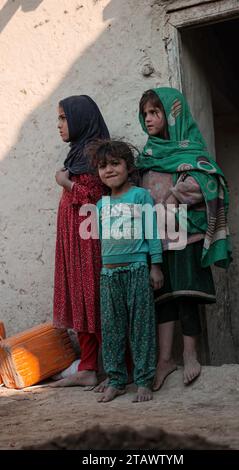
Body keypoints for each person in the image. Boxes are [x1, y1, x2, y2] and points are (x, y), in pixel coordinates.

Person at [137, 87, 232, 390]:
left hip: (186, 238)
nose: (148, 119)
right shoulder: (149, 155)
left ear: (171, 114)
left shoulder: (190, 149)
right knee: (163, 298)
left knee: (187, 295)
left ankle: (190, 354)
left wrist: (174, 195)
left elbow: (208, 181)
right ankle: (165, 359)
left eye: (155, 112)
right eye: (145, 114)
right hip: (157, 242)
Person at [94, 140, 164, 402]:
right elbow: (102, 241)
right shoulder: (100, 206)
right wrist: (102, 270)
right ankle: (116, 380)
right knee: (111, 329)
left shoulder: (140, 196)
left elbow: (152, 232)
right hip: (109, 275)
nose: (109, 170)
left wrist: (155, 266)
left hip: (137, 270)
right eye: (103, 166)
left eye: (115, 163)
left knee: (141, 327)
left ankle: (144, 380)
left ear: (128, 167)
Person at [52, 95, 110, 387]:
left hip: (90, 240)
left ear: (81, 118)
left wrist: (67, 184)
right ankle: (87, 368)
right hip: (73, 241)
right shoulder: (76, 153)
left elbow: (99, 198)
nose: (60, 125)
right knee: (79, 297)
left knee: (96, 299)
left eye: (64, 118)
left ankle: (115, 369)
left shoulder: (96, 154)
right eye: (59, 119)